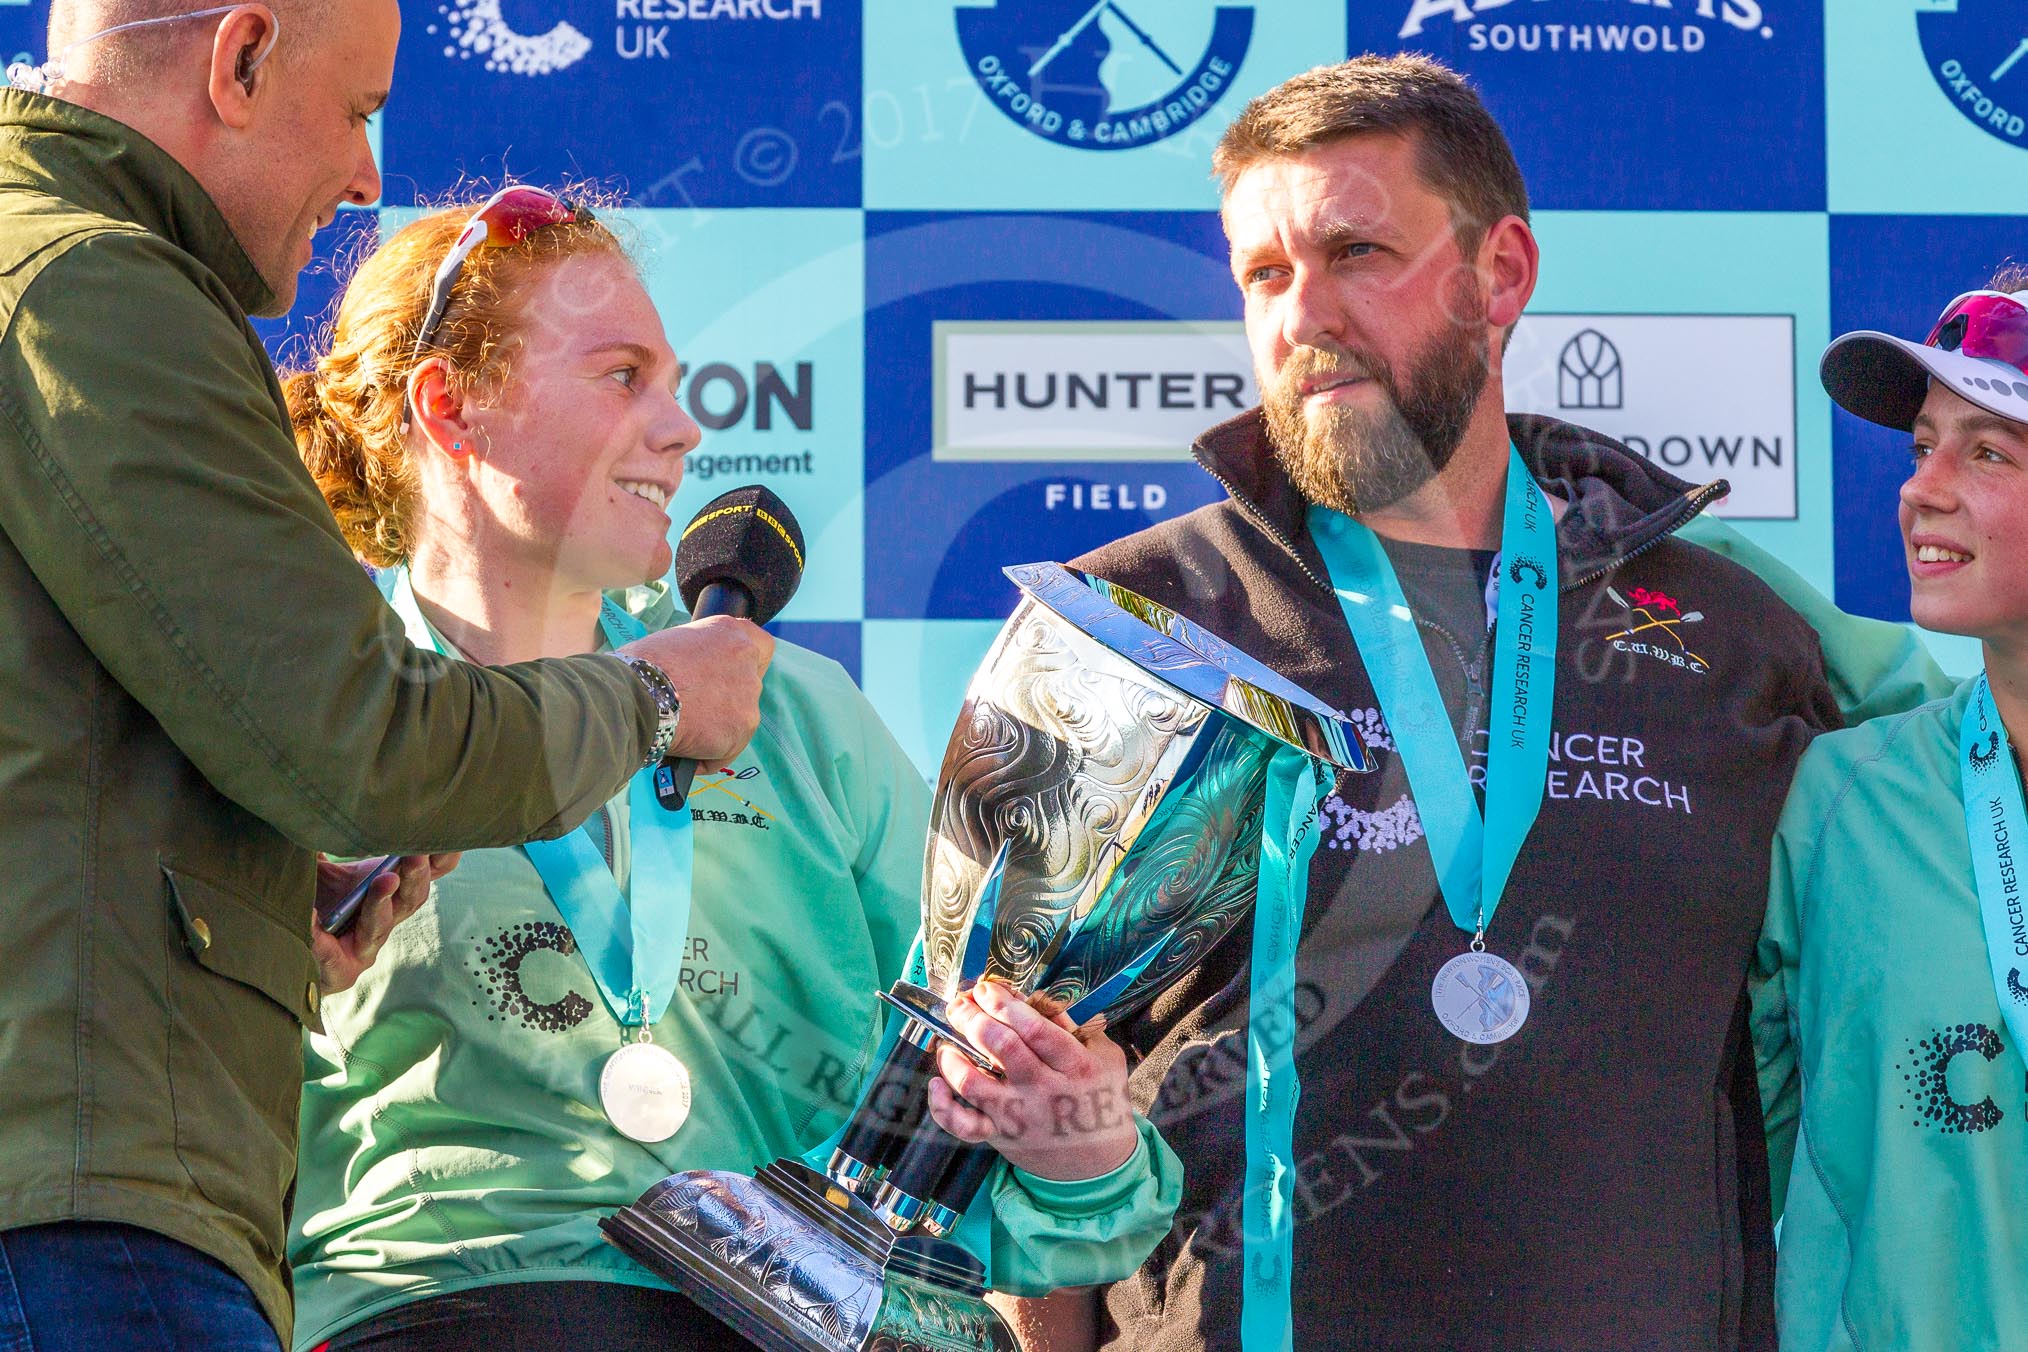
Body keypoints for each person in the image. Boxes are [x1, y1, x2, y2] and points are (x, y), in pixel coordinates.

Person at [1010, 54, 1862, 1351]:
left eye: (1357, 253)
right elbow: (1013, 1080)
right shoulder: (1133, 626)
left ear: (1499, 274)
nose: (1305, 314)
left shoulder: (1738, 639)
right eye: (1265, 273)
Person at [282, 191, 1182, 1352]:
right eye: (622, 377)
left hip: (789, 1318)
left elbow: (968, 1166)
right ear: (452, 407)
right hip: (444, 1315)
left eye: (673, 382)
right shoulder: (305, 719)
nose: (681, 429)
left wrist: (1077, 1147)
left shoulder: (795, 713)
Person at [0, 6, 773, 1350]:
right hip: (78, 1215)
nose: (368, 175)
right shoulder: (90, 282)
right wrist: (652, 700)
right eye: (359, 110)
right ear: (241, 59)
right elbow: (359, 745)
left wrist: (251, 890)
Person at [1754, 272, 2028, 1349]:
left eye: (1989, 452)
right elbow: (1721, 1176)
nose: (1922, 489)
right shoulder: (1843, 805)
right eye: (1922, 447)